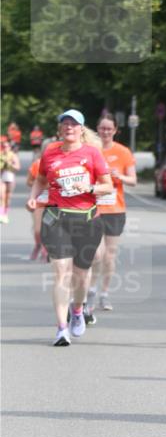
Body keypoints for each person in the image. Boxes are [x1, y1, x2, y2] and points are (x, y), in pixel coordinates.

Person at [26, 109, 112, 346]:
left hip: (86, 220)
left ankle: (77, 310)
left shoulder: (92, 153)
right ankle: (61, 328)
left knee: (81, 276)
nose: (69, 127)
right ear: (59, 129)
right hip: (56, 218)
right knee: (61, 273)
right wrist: (34, 197)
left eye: (74, 124)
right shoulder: (50, 152)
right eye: (64, 124)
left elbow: (108, 186)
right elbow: (41, 179)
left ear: (81, 129)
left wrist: (88, 187)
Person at [86, 113, 137, 316]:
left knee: (110, 255)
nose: (105, 132)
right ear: (97, 130)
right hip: (94, 208)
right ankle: (90, 290)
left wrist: (119, 176)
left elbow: (133, 180)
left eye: (109, 129)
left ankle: (104, 293)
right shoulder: (90, 150)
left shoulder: (123, 152)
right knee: (96, 255)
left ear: (115, 130)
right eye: (102, 128)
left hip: (115, 210)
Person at [26, 141, 53, 259]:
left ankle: (46, 249)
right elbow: (29, 182)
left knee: (51, 228)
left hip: (54, 203)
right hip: (39, 202)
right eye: (46, 149)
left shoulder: (60, 163)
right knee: (38, 230)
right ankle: (38, 244)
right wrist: (40, 184)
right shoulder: (37, 164)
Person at [0, 136, 20, 223]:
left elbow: (17, 167)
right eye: (4, 146)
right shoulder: (0, 155)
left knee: (8, 198)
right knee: (1, 196)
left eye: (7, 146)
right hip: (2, 177)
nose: (5, 148)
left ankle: (5, 214)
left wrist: (10, 164)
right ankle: (1, 215)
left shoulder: (13, 156)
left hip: (10, 178)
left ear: (10, 147)